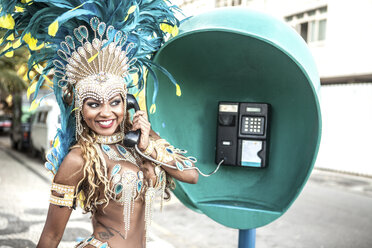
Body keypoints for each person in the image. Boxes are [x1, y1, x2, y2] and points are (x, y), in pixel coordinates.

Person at [0, 0, 200, 247]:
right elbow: (51, 235)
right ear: (79, 108)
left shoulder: (142, 139)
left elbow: (191, 175)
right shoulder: (79, 158)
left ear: (126, 102)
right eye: (94, 104)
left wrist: (147, 148)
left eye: (114, 102)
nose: (106, 113)